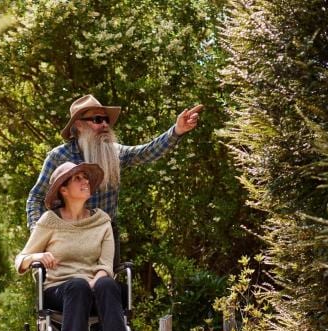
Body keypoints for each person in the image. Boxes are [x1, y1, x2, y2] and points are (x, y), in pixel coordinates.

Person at [26, 94, 203, 262]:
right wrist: (39, 234)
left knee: (106, 287)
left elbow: (147, 152)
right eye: (97, 120)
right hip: (66, 238)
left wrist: (177, 131)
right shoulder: (59, 157)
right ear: (79, 125)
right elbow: (36, 198)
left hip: (105, 236)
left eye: (106, 120)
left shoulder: (114, 152)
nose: (104, 124)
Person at [15, 161, 133, 331]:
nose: (85, 181)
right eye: (78, 178)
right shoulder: (50, 221)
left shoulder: (102, 221)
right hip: (60, 290)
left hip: (95, 288)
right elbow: (20, 260)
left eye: (86, 178)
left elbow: (106, 265)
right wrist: (37, 257)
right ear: (63, 189)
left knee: (107, 284)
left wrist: (94, 282)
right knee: (77, 286)